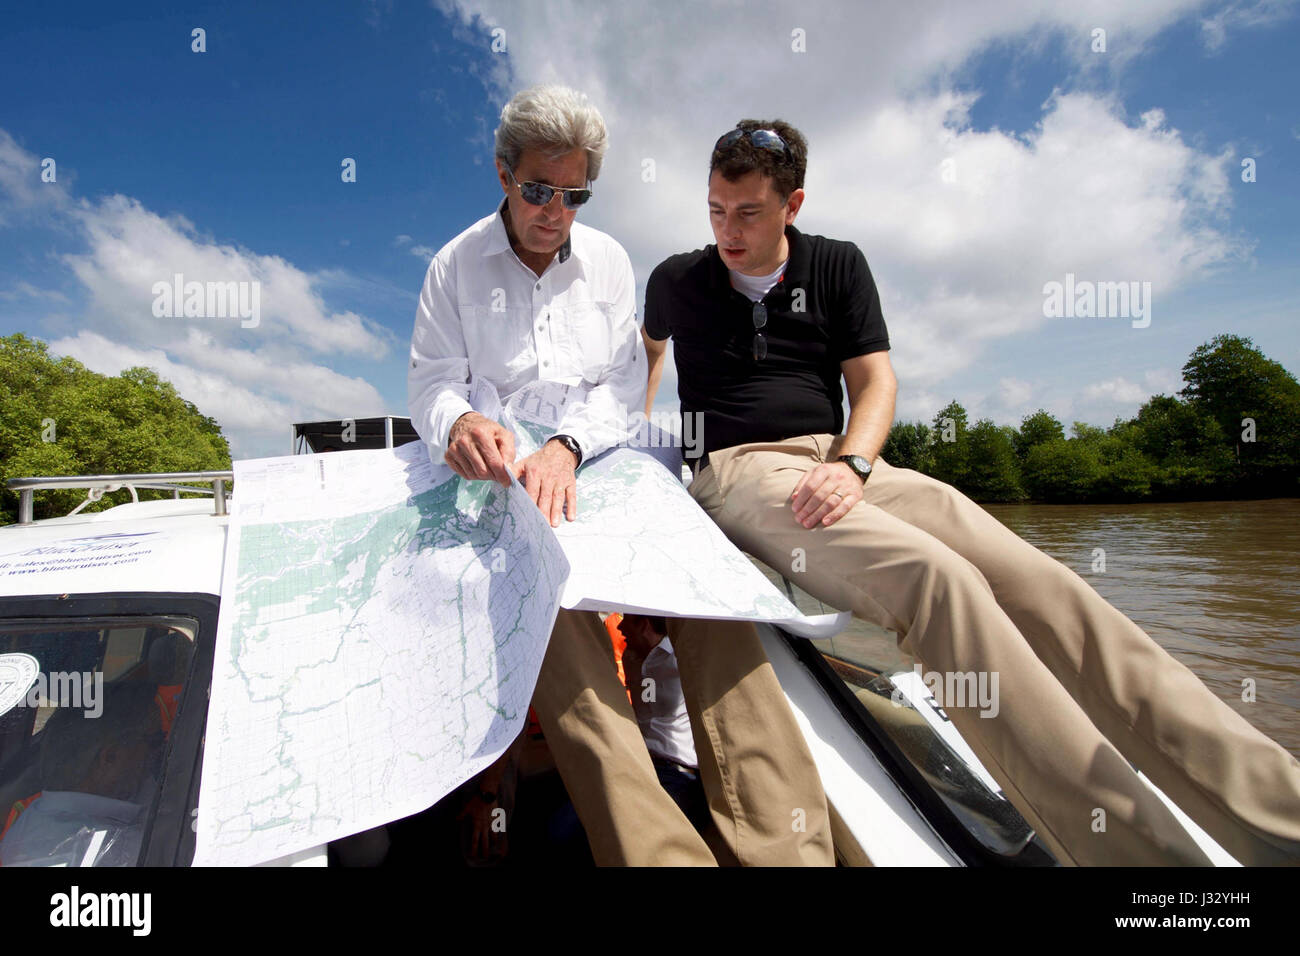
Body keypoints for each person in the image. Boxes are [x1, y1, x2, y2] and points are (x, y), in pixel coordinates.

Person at [641, 119, 1300, 867]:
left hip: (849, 462)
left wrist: (854, 463)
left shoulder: (836, 265)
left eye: (749, 213)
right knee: (938, 581)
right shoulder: (676, 280)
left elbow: (874, 381)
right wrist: (648, 437)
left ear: (792, 204)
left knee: (1042, 582)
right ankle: (1145, 862)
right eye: (716, 211)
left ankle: (1279, 818)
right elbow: (646, 350)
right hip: (743, 467)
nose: (729, 231)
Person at [407, 87, 832, 866]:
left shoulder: (608, 262)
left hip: (599, 457)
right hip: (504, 478)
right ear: (503, 174)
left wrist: (567, 445)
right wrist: (459, 423)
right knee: (551, 608)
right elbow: (433, 381)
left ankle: (788, 849)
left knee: (703, 595)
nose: (555, 211)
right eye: (538, 190)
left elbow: (620, 383)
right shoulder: (452, 266)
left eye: (575, 195)